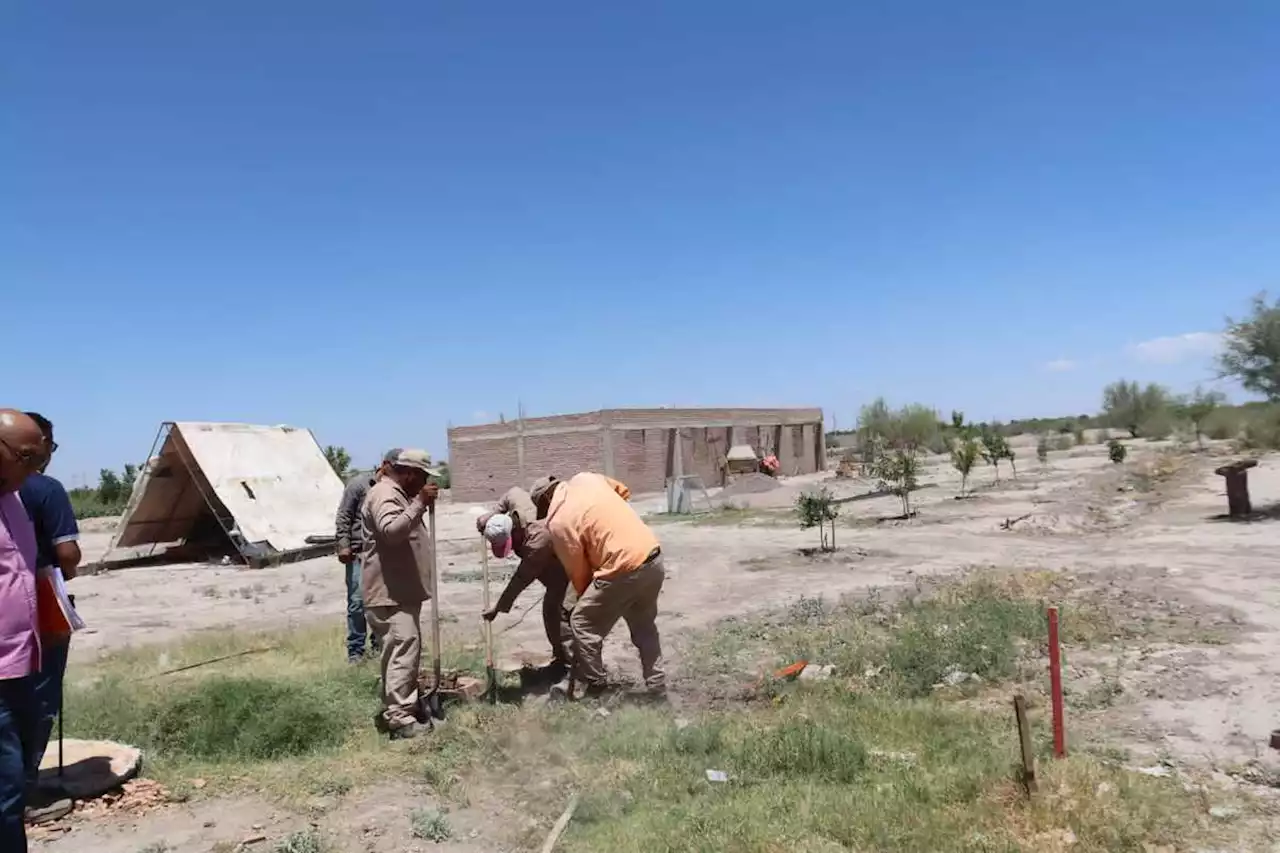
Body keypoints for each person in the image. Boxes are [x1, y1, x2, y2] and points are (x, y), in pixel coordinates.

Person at [530, 473, 666, 700]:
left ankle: (596, 686)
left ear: (544, 501)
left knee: (582, 623)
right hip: (652, 556)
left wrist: (581, 602)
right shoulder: (587, 479)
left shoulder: (558, 521)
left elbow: (579, 573)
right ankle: (657, 687)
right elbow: (623, 492)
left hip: (622, 567)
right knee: (644, 626)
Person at [18, 414, 79, 824]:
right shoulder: (45, 489)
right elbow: (67, 557)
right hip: (39, 599)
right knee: (40, 695)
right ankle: (24, 794)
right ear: (36, 445)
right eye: (49, 447)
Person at [360, 449, 440, 740]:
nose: (424, 482)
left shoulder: (395, 493)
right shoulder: (385, 494)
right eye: (422, 477)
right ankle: (400, 720)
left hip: (398, 592)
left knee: (400, 652)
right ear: (409, 473)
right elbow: (391, 531)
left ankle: (403, 707)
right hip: (389, 594)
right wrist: (420, 502)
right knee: (403, 651)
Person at [0, 409, 50, 850]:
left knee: (12, 789)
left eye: (42, 460)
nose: (34, 469)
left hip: (21, 666)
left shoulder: (15, 500)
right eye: (27, 456)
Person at [476, 496, 572, 678]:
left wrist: (498, 608)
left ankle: (573, 669)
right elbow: (513, 492)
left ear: (514, 530)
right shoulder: (520, 509)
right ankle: (561, 660)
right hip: (556, 574)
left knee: (560, 617)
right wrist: (493, 514)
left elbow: (521, 579)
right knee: (551, 611)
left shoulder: (537, 542)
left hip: (571, 573)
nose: (511, 550)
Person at [334, 449, 401, 664]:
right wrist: (343, 545)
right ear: (385, 464)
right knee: (356, 602)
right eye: (396, 467)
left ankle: (378, 644)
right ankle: (355, 651)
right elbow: (344, 515)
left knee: (381, 601)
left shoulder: (395, 489)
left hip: (383, 553)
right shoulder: (359, 485)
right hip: (358, 552)